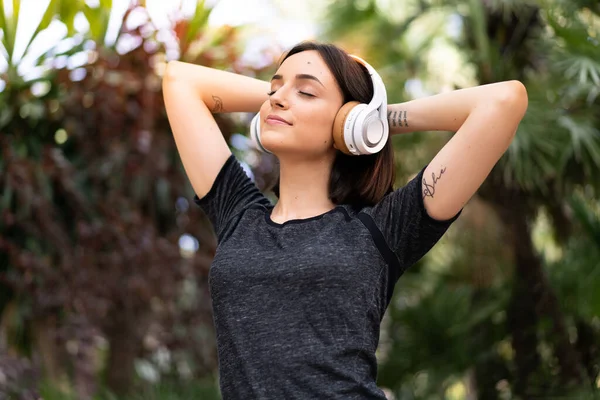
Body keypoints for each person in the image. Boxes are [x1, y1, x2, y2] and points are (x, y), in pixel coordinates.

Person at [162, 41, 528, 399]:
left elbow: (504, 101)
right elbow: (180, 81)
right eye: (275, 88)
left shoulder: (384, 227)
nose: (277, 98)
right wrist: (288, 95)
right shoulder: (237, 212)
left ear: (348, 120)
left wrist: (374, 118)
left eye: (306, 92)